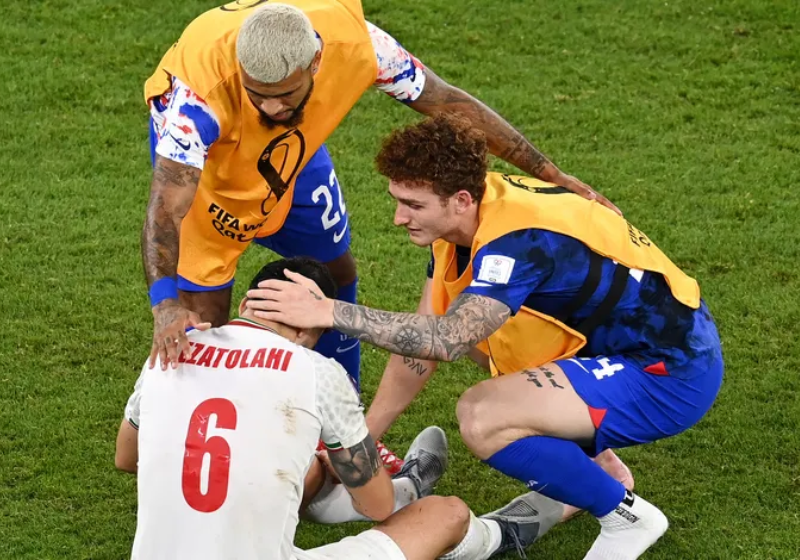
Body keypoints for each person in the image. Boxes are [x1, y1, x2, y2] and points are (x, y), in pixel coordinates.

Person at [244, 116, 725, 559]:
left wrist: (329, 311)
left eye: (413, 205)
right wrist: (363, 439)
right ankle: (595, 462)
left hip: (670, 373)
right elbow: (421, 348)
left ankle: (626, 516)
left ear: (460, 200)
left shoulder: (516, 242)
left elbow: (446, 340)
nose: (397, 217)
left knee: (483, 415)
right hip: (618, 352)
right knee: (470, 335)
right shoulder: (468, 218)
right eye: (398, 200)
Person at [142, 0, 618, 398]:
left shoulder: (362, 46)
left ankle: (340, 408)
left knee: (335, 271)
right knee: (201, 322)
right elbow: (166, 206)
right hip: (211, 172)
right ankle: (215, 436)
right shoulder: (193, 106)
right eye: (257, 94)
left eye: (285, 94)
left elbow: (448, 103)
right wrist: (164, 304)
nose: (270, 107)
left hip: (294, 152)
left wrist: (552, 172)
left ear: (315, 64)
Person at [117, 256, 565, 560]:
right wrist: (347, 464)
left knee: (299, 468)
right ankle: (498, 535)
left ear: (251, 303)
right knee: (443, 513)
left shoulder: (175, 348)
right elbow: (376, 505)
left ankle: (372, 488)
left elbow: (127, 458)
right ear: (312, 321)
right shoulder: (315, 370)